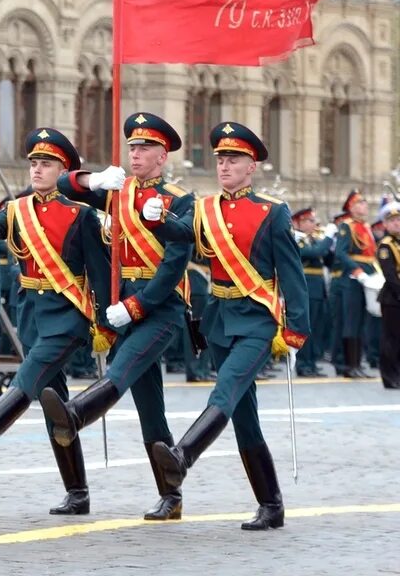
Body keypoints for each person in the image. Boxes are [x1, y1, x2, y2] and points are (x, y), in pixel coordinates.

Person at [149, 122, 309, 530]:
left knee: (226, 389)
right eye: (220, 159)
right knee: (243, 415)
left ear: (250, 166)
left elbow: (291, 273)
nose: (224, 166)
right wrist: (157, 219)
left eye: (233, 159)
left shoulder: (272, 211)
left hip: (257, 320)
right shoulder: (204, 208)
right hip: (220, 320)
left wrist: (296, 328)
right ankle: (271, 505)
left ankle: (183, 454)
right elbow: (184, 234)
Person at [40, 112, 194, 521]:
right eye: (132, 148)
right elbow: (63, 184)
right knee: (150, 408)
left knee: (122, 369)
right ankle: (171, 495)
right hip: (121, 303)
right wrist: (93, 181)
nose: (136, 154)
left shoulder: (180, 199)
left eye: (144, 149)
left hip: (159, 306)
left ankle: (76, 415)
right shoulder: (118, 192)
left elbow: (174, 265)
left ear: (162, 157)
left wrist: (136, 306)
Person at [0, 127, 111, 515]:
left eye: (47, 164)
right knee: (53, 403)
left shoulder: (82, 215)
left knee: (32, 375)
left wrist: (107, 322)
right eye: (34, 163)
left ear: (63, 169)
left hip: (68, 314)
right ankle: (78, 492)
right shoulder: (17, 210)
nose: (38, 170)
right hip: (32, 316)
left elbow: (101, 272)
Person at [334, 189, 382, 378]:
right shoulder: (347, 226)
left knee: (362, 321)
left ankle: (357, 364)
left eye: (364, 203)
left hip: (369, 278)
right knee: (351, 322)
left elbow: (371, 255)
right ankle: (349, 365)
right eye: (360, 203)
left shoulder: (366, 227)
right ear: (352, 208)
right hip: (353, 279)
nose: (364, 206)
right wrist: (357, 270)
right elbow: (341, 252)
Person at [291, 207, 333, 377]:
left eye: (313, 220)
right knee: (304, 328)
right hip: (305, 288)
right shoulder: (296, 240)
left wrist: (330, 245)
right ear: (298, 223)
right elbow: (314, 253)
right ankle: (303, 364)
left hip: (318, 289)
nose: (314, 224)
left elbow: (328, 260)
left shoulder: (314, 240)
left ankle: (312, 362)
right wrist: (329, 238)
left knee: (316, 328)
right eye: (309, 221)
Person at [376, 202, 400, 389]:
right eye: (392, 221)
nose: (397, 223)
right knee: (390, 338)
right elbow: (390, 275)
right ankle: (389, 376)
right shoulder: (386, 246)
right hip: (393, 298)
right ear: (385, 224)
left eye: (399, 220)